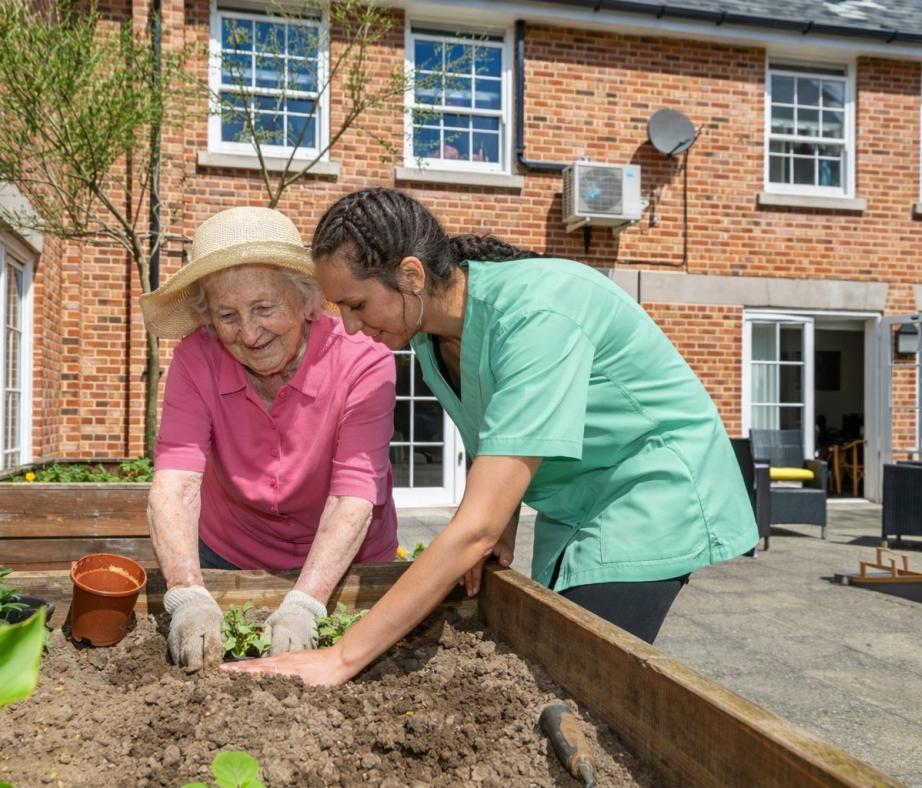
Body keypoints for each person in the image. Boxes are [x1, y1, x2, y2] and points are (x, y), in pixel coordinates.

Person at [222, 187, 757, 687]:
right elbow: (499, 438)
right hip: (575, 501)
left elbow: (474, 527)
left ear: (411, 275)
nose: (352, 327)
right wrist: (498, 526)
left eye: (357, 305)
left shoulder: (537, 316)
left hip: (652, 489)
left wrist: (340, 657)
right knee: (550, 656)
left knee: (583, 675)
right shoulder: (433, 339)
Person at [140, 206, 398, 671]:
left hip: (348, 567)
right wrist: (186, 594)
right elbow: (175, 485)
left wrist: (306, 604)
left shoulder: (364, 360)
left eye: (264, 308)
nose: (250, 332)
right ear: (207, 319)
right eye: (227, 315)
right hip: (229, 557)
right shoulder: (196, 358)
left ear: (306, 300)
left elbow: (353, 498)